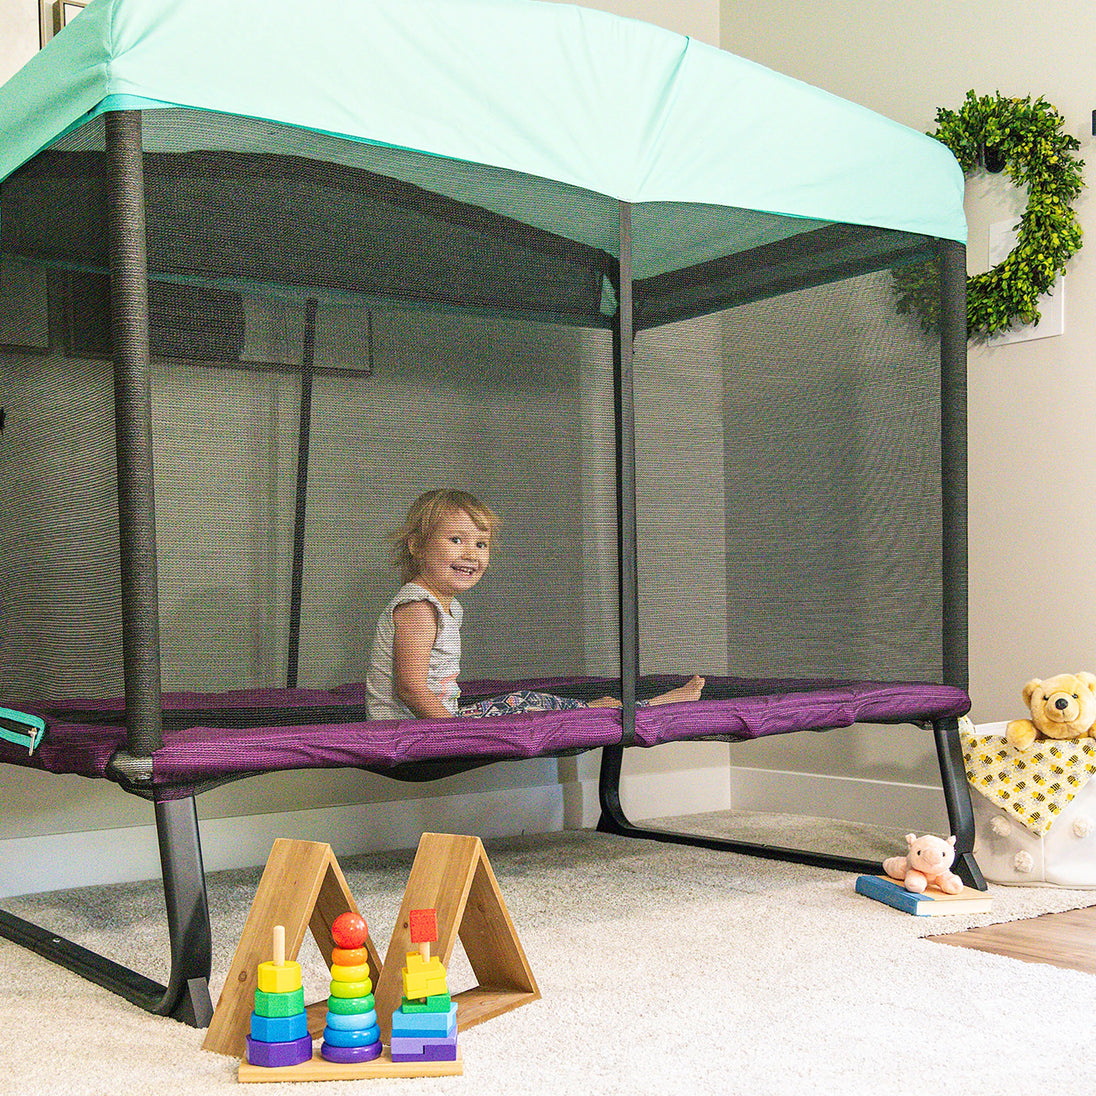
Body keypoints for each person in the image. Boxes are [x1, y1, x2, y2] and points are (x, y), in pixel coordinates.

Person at [366, 489, 704, 720]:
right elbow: (410, 688)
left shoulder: (444, 606)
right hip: (409, 732)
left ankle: (613, 709)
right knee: (527, 705)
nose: (471, 554)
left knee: (526, 702)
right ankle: (642, 708)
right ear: (416, 546)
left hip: (434, 723)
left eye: (481, 544)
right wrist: (458, 734)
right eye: (456, 540)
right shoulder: (419, 608)